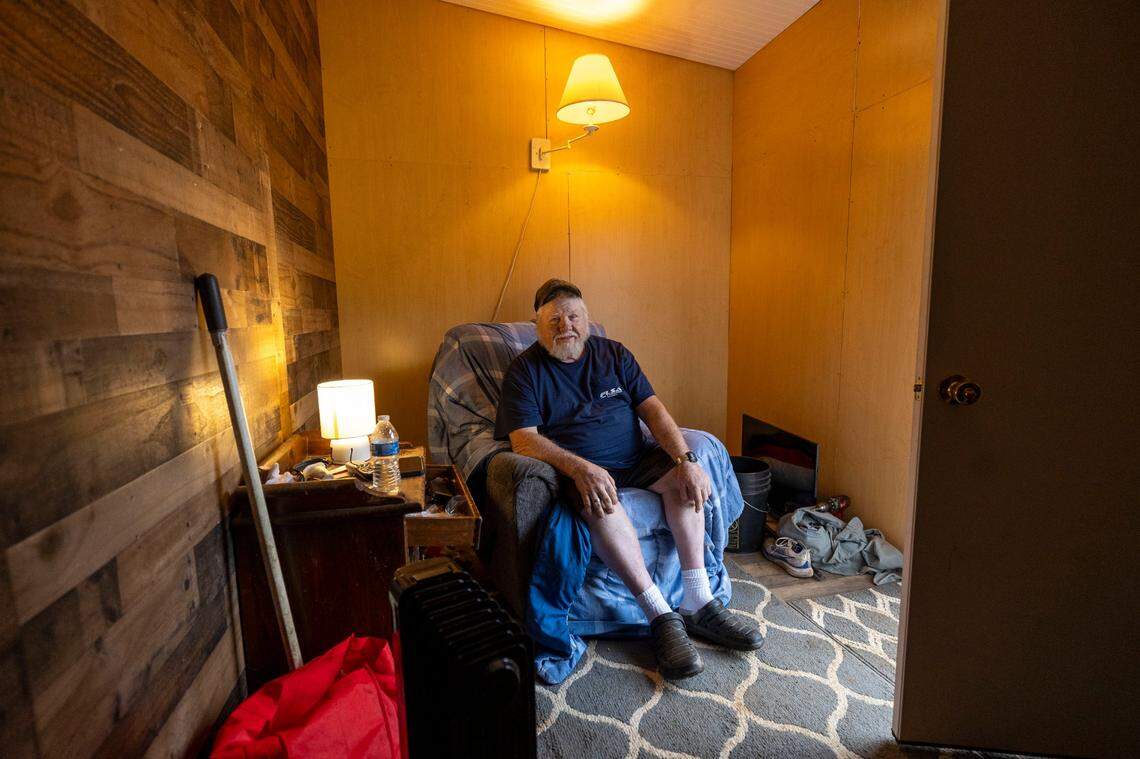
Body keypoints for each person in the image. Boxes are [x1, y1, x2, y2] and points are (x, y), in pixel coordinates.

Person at [495, 279, 763, 680]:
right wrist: (580, 468)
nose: (565, 326)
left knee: (685, 482)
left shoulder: (615, 354)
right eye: (554, 319)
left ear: (587, 320)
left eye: (573, 316)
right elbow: (524, 440)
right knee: (600, 498)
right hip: (584, 472)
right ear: (538, 325)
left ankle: (699, 601)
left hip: (635, 459)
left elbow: (654, 412)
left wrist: (686, 459)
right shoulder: (525, 371)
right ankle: (660, 615)